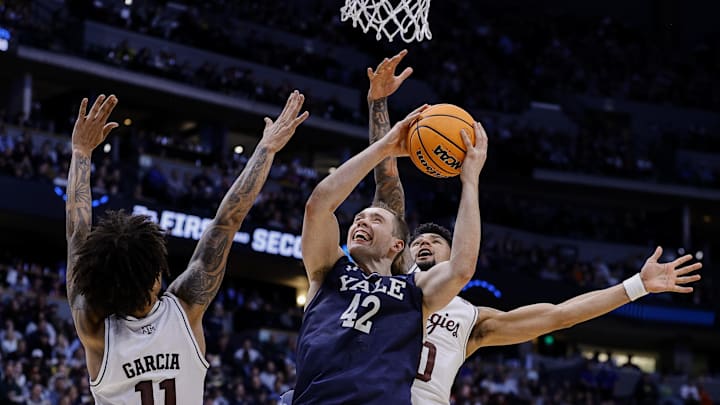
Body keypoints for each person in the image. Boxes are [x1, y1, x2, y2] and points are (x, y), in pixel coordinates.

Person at [367, 50, 703, 405]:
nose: (424, 243)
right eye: (419, 240)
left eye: (436, 241)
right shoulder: (392, 281)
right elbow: (387, 186)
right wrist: (378, 104)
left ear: (455, 254)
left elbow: (559, 316)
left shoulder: (472, 320)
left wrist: (637, 286)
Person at [65, 92, 308, 404]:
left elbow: (77, 234)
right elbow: (227, 221)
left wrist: (80, 152)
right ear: (156, 276)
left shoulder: (94, 328)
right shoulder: (185, 307)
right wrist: (266, 149)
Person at [293, 100, 488, 402]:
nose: (362, 219)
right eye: (359, 217)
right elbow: (318, 206)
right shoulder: (328, 271)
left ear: (398, 245)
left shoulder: (414, 291)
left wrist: (470, 180)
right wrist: (384, 147)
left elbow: (461, 267)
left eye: (376, 218)